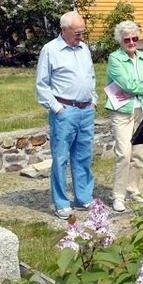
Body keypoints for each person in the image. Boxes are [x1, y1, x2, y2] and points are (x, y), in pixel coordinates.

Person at [35, 11, 97, 219]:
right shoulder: (50, 50)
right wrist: (57, 108)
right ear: (64, 30)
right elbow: (42, 85)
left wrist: (93, 99)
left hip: (86, 110)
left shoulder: (84, 48)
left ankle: (83, 197)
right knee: (60, 158)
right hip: (65, 112)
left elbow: (91, 76)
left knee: (83, 157)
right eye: (77, 32)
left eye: (82, 32)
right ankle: (61, 203)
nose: (81, 35)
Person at [105, 20, 143, 212]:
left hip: (140, 109)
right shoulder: (115, 59)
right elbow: (127, 85)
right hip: (121, 111)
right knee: (124, 154)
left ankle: (133, 189)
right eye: (127, 39)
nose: (131, 42)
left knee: (138, 154)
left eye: (134, 38)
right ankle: (118, 196)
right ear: (120, 40)